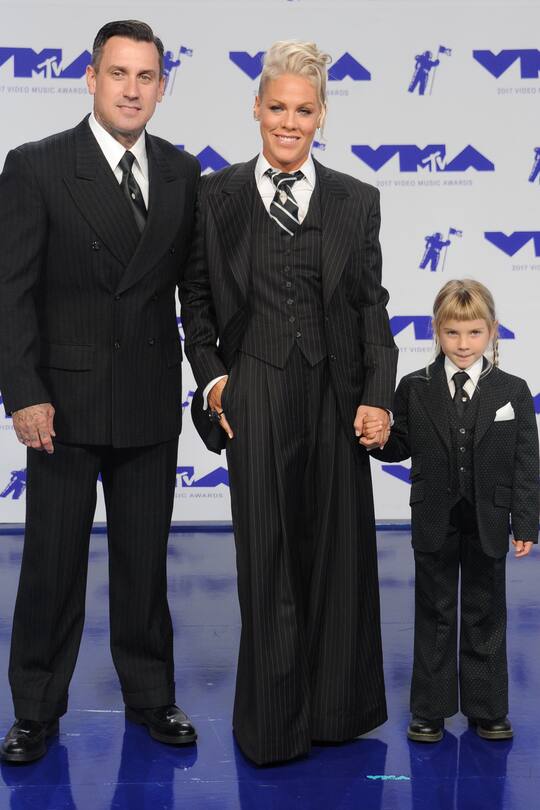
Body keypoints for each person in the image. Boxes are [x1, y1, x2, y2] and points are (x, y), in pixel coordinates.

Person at [181, 40, 398, 765]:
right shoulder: (216, 197)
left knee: (338, 559)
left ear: (322, 116)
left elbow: (372, 309)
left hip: (336, 396)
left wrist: (377, 394)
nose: (289, 121)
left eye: (304, 110)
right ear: (256, 107)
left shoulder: (355, 201)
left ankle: (335, 714)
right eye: (278, 107)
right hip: (259, 390)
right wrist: (215, 382)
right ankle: (272, 728)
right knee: (267, 560)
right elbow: (199, 303)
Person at [0, 20, 200, 763]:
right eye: (119, 74)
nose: (132, 89)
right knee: (52, 564)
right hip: (64, 406)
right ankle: (35, 710)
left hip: (148, 400)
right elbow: (10, 292)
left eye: (146, 77)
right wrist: (23, 391)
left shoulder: (182, 173)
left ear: (161, 87)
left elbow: (196, 294)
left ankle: (152, 698)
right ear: (90, 78)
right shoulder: (39, 166)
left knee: (145, 564)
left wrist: (214, 379)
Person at [367, 279, 539, 742]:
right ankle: (430, 708)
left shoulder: (513, 391)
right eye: (452, 334)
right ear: (436, 332)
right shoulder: (414, 387)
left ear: (493, 332)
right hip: (434, 516)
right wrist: (380, 437)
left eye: (474, 334)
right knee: (435, 611)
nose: (463, 345)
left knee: (487, 612)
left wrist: (525, 521)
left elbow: (527, 461)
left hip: (489, 518)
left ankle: (487, 708)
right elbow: (399, 444)